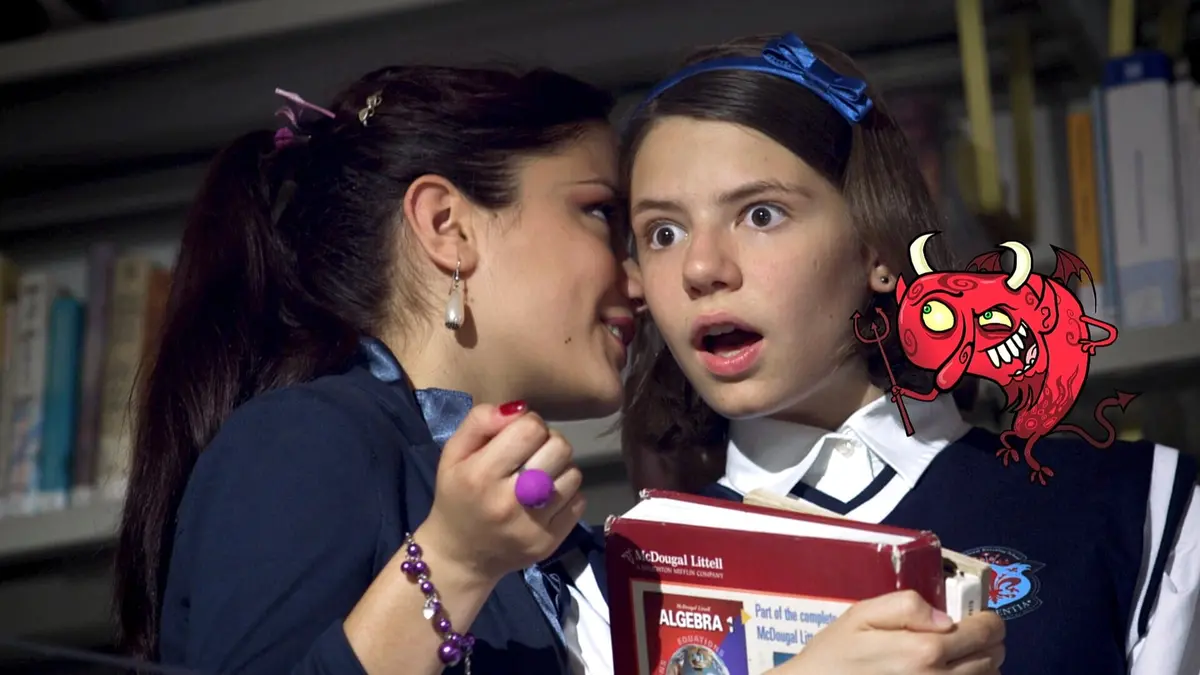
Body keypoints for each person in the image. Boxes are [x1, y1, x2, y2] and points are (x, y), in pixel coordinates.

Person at [113, 61, 1004, 675]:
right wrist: (451, 562)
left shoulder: (563, 541)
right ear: (448, 226)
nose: (640, 279)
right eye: (602, 215)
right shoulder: (302, 443)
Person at [620, 32, 1198, 675]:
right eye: (663, 232)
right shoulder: (620, 580)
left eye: (760, 215)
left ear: (879, 246)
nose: (701, 267)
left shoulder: (1142, 506)